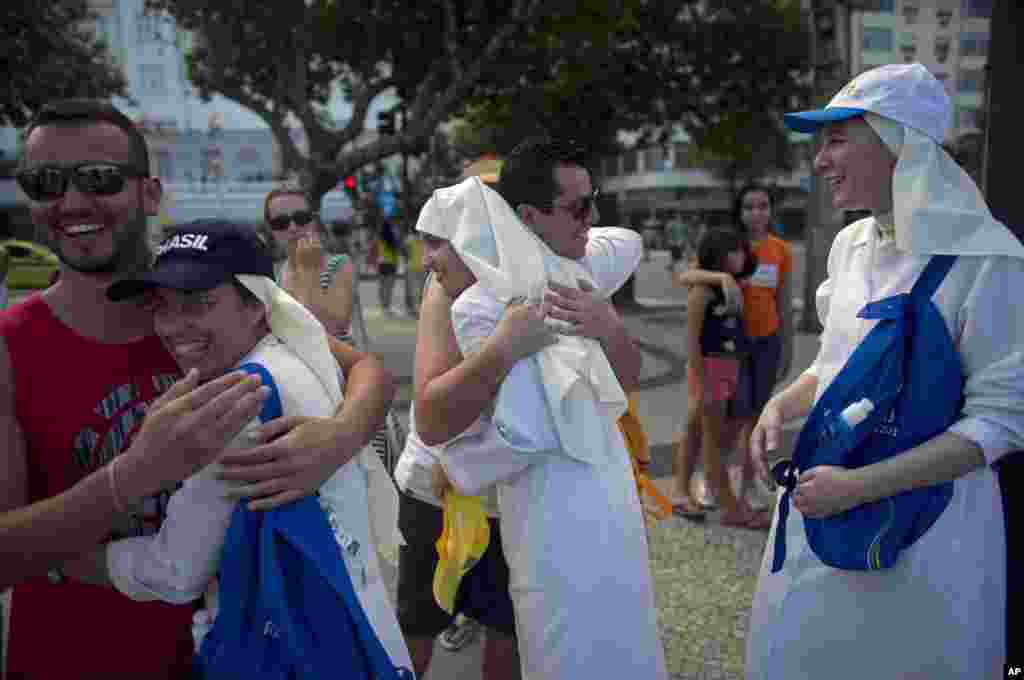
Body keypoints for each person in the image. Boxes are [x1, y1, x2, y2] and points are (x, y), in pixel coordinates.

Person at [0, 99, 396, 678]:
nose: (73, 201)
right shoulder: (13, 345)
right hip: (74, 657)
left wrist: (337, 438)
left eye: (100, 179)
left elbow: (368, 371)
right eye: (44, 182)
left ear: (150, 194)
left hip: (238, 650)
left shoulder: (208, 315)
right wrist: (132, 475)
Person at [745, 63, 1024, 679]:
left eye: (838, 138)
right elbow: (834, 365)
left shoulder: (991, 259)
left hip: (929, 543)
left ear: (901, 143)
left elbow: (1000, 424)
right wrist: (779, 408)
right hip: (825, 513)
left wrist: (863, 486)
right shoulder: (851, 247)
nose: (820, 161)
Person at [80, 219, 411, 674]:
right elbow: (371, 371)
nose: (174, 326)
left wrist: (70, 559)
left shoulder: (238, 397)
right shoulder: (295, 350)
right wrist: (346, 432)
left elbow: (176, 571)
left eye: (198, 302)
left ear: (256, 304)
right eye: (161, 305)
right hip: (359, 628)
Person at [415, 138, 667, 679]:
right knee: (561, 647)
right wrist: (503, 349)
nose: (592, 218)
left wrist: (609, 326)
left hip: (613, 498)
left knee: (630, 637)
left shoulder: (581, 274)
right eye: (578, 207)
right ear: (528, 215)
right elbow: (514, 431)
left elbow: (625, 375)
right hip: (550, 513)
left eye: (593, 200)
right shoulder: (483, 306)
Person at [676, 183, 793, 511]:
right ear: (739, 212)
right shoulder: (724, 247)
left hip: (765, 342)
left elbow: (784, 302)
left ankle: (748, 482)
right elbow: (687, 277)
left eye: (763, 206)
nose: (757, 213)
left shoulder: (780, 250)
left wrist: (788, 346)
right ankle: (712, 482)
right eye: (749, 207)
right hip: (727, 351)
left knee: (755, 417)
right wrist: (722, 279)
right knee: (723, 420)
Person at [671, 228, 768, 528]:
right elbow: (691, 341)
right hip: (710, 371)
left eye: (741, 250)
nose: (739, 256)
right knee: (712, 438)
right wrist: (699, 381)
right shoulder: (703, 291)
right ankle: (731, 508)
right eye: (732, 251)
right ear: (717, 254)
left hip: (729, 369)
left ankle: (697, 493)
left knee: (708, 433)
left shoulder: (734, 285)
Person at [264, 187, 355, 338]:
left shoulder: (339, 265)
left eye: (301, 218)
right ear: (271, 230)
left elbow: (330, 330)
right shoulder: (277, 274)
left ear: (313, 221)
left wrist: (308, 273)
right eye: (280, 222)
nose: (292, 228)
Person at [376, 218, 403, 315]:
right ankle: (387, 306)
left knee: (382, 286)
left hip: (381, 263)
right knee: (389, 287)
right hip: (391, 263)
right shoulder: (393, 237)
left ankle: (383, 306)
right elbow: (398, 249)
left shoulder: (380, 237)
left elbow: (376, 250)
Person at [403, 229, 427, 317]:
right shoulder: (424, 238)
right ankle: (418, 309)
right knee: (421, 290)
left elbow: (405, 252)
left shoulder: (409, 239)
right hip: (420, 267)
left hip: (413, 267)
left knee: (414, 290)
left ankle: (414, 309)